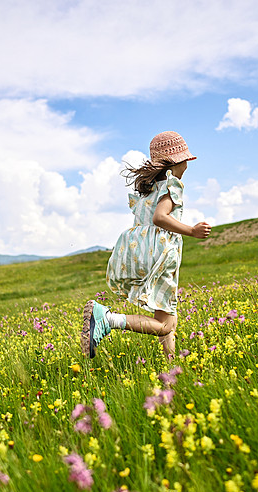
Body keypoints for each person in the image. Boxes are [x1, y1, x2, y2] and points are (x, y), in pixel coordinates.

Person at [81, 131, 212, 358]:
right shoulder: (173, 186)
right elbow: (159, 218)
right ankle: (108, 318)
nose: (187, 167)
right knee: (165, 324)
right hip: (162, 256)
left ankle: (170, 365)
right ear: (172, 164)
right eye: (184, 161)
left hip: (143, 254)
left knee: (168, 317)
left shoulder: (148, 190)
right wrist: (192, 231)